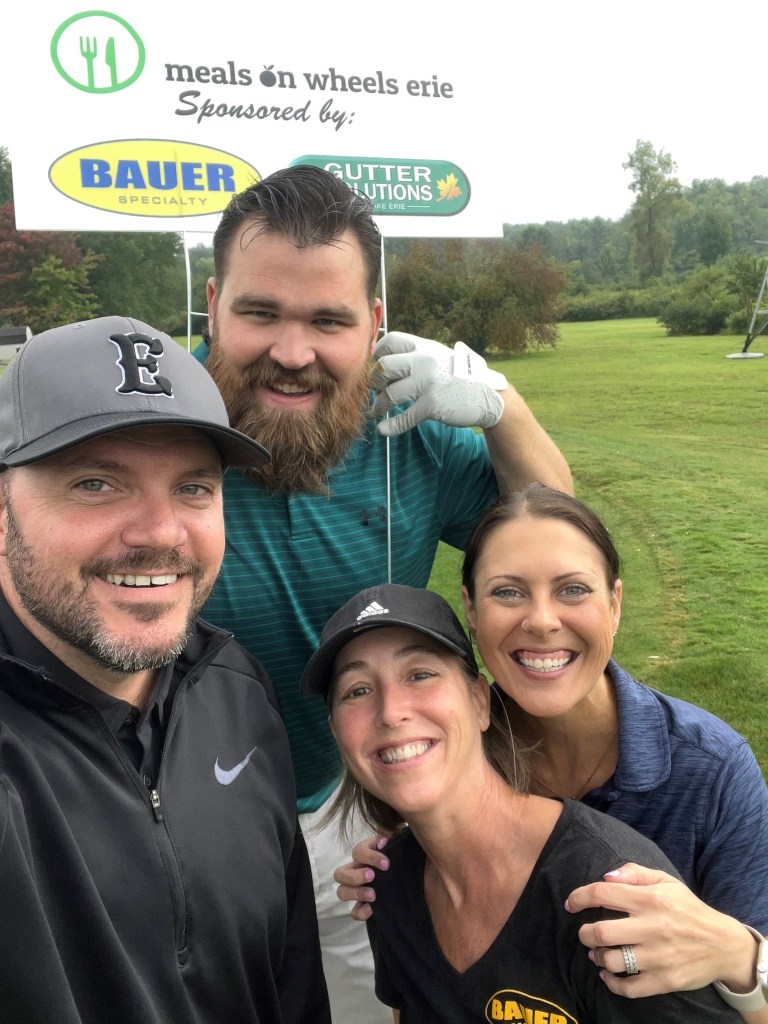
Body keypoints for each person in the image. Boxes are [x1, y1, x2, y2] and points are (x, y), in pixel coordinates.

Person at [198, 164, 572, 1021]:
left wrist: (500, 406)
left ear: (373, 323)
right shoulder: (161, 413)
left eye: (328, 320)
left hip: (355, 801)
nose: (292, 353)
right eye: (260, 313)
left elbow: (556, 532)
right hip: (186, 806)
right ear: (214, 304)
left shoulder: (413, 424)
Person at [0, 315, 329, 1024]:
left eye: (193, 488)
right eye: (96, 483)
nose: (159, 533)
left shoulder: (236, 688)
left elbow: (290, 973)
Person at [335, 484, 768, 1021]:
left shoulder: (713, 770)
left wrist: (741, 955)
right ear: (471, 609)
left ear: (614, 604)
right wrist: (397, 873)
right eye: (508, 593)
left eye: (573, 590)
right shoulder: (442, 745)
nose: (541, 620)